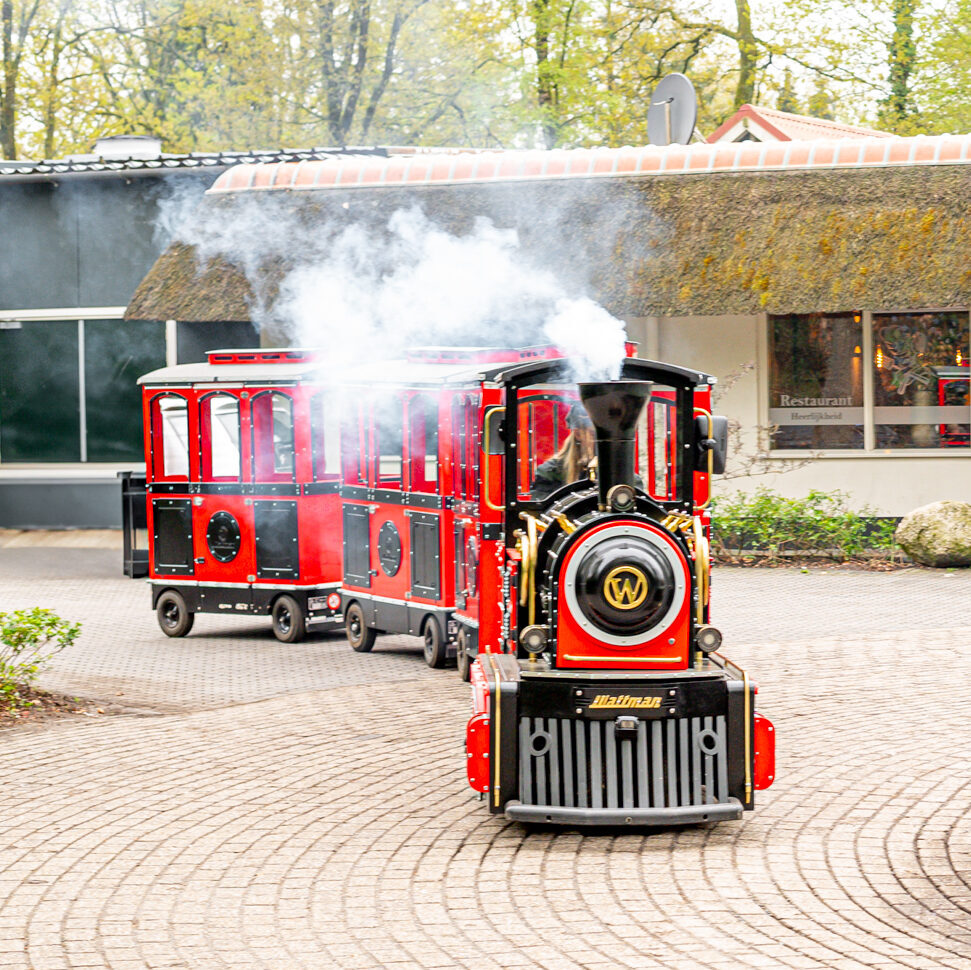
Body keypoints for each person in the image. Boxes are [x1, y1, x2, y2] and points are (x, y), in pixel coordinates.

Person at [530, 404, 597, 501]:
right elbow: (541, 509)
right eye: (593, 434)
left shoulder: (619, 469)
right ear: (578, 434)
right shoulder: (551, 472)